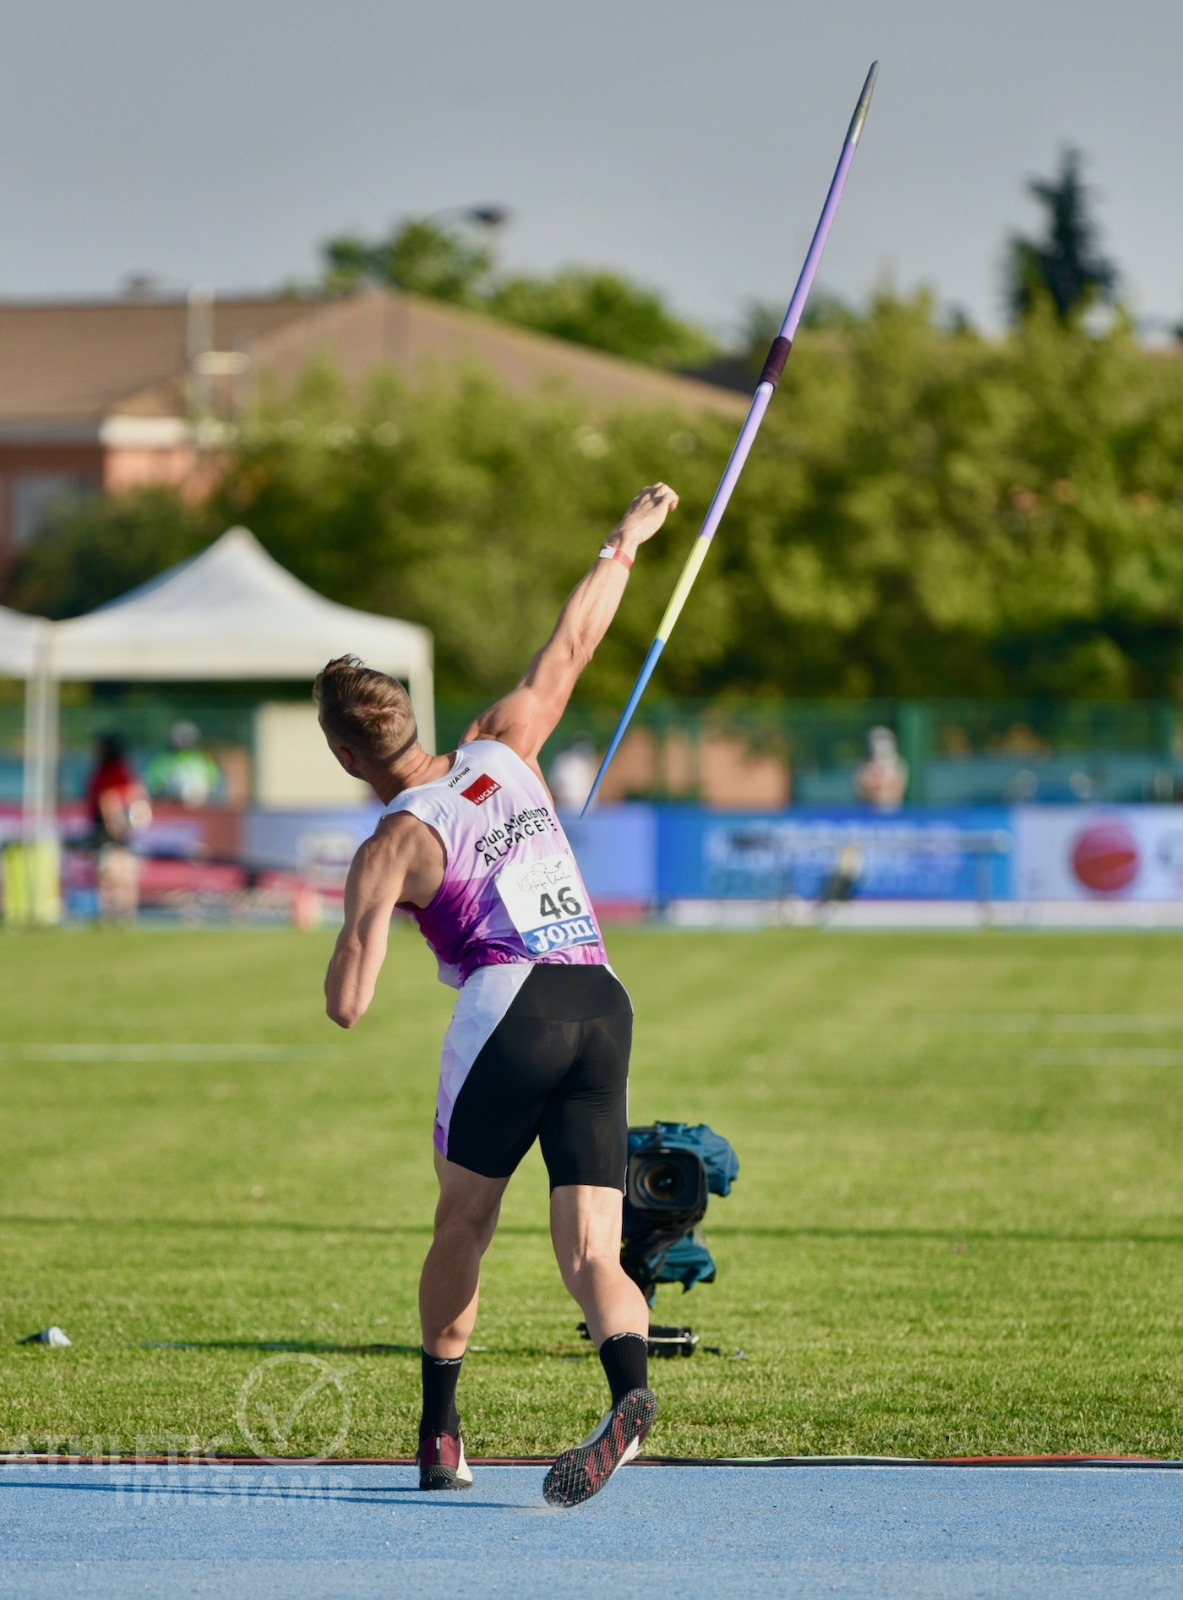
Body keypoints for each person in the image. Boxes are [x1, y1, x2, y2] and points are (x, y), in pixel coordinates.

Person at [317, 482, 678, 1507]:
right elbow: (571, 643)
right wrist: (625, 541)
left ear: (348, 755)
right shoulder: (502, 739)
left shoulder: (392, 839)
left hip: (506, 1003)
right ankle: (629, 1393)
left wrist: (360, 925)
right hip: (600, 994)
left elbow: (349, 1002)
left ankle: (439, 1433)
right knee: (591, 1249)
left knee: (462, 1224)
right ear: (413, 721)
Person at [83, 734, 152, 919]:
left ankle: (116, 911)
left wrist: (118, 825)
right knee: (118, 870)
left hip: (111, 830)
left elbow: (110, 800)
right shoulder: (117, 769)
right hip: (114, 828)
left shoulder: (112, 771)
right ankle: (122, 911)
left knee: (113, 871)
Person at [854, 725, 908, 811]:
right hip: (867, 813)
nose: (880, 745)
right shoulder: (865, 766)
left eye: (884, 739)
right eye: (877, 740)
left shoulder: (898, 765)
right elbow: (860, 789)